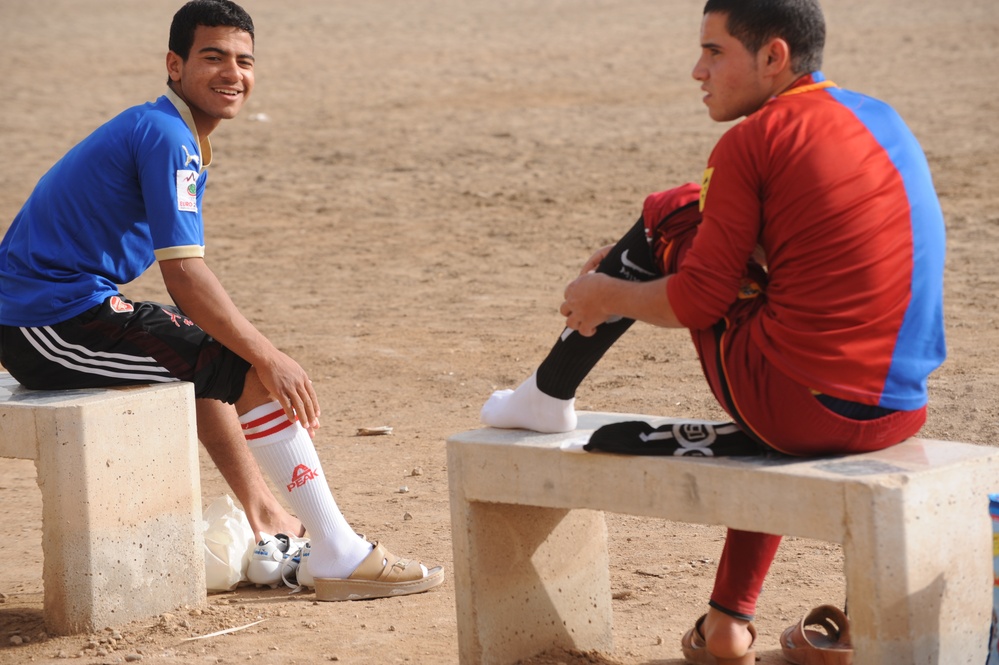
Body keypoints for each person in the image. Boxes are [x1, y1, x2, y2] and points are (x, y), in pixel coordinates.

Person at [481, 0, 945, 662]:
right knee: (741, 271)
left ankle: (547, 393)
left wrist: (604, 291)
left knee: (670, 213)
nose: (697, 71)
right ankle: (725, 621)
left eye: (714, 51)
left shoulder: (750, 141)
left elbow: (699, 300)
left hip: (800, 412)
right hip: (899, 410)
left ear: (773, 56)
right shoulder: (878, 115)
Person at [0, 0, 443, 602]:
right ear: (174, 65)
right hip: (46, 324)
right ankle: (337, 552)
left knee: (213, 357)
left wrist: (246, 350)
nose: (232, 72)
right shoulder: (165, 136)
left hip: (66, 310)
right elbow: (184, 275)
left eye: (244, 60)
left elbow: (184, 286)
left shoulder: (169, 130)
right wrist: (270, 356)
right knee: (245, 366)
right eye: (213, 57)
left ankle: (272, 523)